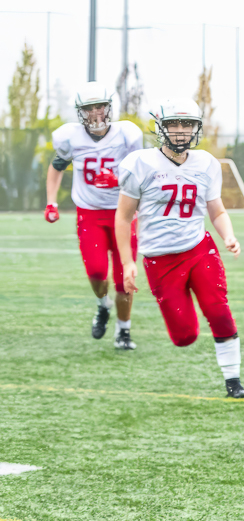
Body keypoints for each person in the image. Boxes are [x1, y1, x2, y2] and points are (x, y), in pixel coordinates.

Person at [115, 99, 244, 398]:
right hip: (160, 260)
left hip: (199, 248)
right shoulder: (140, 164)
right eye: (173, 124)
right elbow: (123, 218)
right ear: (161, 128)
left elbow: (216, 211)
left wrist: (229, 236)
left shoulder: (205, 164)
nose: (180, 131)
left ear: (196, 128)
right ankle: (215, 359)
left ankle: (234, 381)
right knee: (185, 336)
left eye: (186, 124)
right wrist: (128, 262)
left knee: (219, 311)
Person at [45, 81, 143, 349]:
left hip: (123, 212)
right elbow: (57, 167)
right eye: (89, 108)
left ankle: (124, 331)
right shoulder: (70, 137)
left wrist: (118, 179)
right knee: (97, 271)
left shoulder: (127, 135)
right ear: (80, 112)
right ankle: (103, 305)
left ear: (109, 107)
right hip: (89, 213)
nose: (96, 113)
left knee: (125, 278)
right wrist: (51, 202)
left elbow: (140, 173)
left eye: (100, 106)